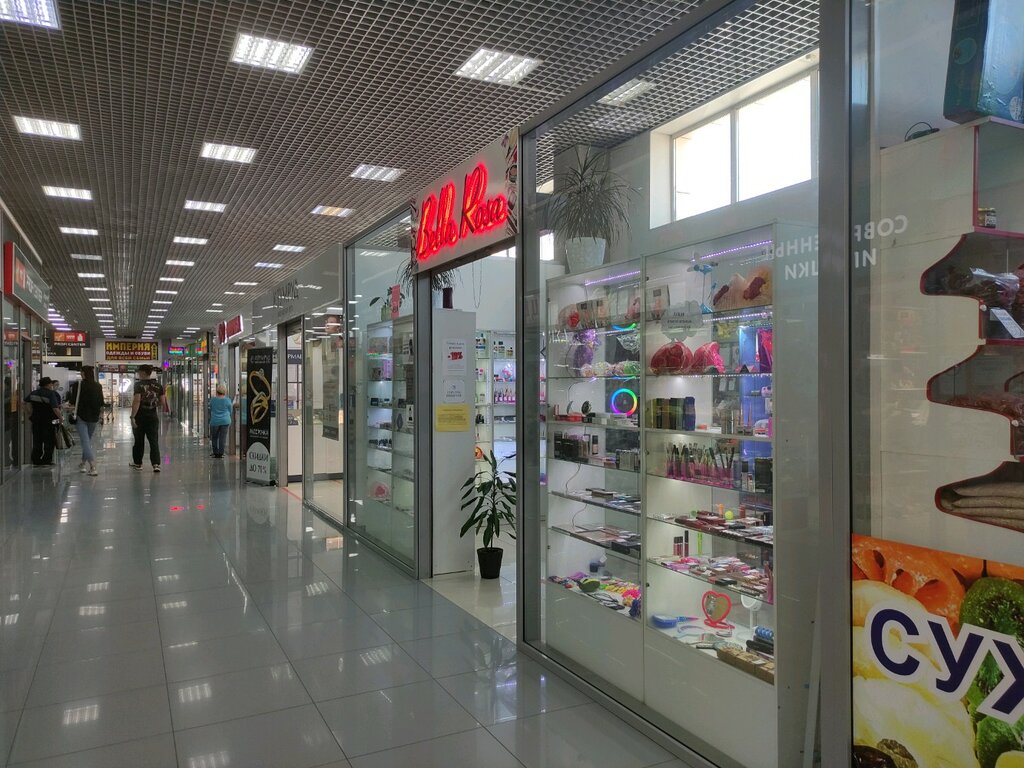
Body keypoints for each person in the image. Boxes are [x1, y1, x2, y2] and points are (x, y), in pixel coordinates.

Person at [129, 364, 166, 471]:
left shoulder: (138, 385)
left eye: (139, 372)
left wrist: (132, 417)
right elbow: (163, 402)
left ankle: (138, 463)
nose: (138, 374)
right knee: (154, 441)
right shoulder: (158, 386)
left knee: (138, 441)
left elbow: (137, 401)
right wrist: (152, 405)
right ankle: (156, 464)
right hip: (153, 418)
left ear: (143, 373)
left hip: (140, 418)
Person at [73, 366, 104, 476]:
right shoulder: (98, 386)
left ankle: (92, 466)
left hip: (81, 416)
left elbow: (73, 400)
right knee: (87, 441)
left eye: (81, 372)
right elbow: (101, 402)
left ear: (83, 373)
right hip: (94, 417)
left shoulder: (78, 385)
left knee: (85, 441)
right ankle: (82, 464)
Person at [26, 377, 60, 466]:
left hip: (36, 421)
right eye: (51, 384)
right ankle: (46, 460)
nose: (52, 385)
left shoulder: (34, 393)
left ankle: (36, 460)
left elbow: (25, 403)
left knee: (37, 440)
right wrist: (61, 418)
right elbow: (55, 408)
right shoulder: (51, 394)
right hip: (48, 421)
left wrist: (29, 413)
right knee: (49, 441)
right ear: (48, 384)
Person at [208, 383, 232, 458]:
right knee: (222, 438)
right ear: (225, 391)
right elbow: (230, 411)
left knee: (214, 437)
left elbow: (210, 409)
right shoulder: (228, 400)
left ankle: (215, 453)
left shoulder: (213, 400)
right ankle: (221, 453)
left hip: (215, 421)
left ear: (217, 391)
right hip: (225, 421)